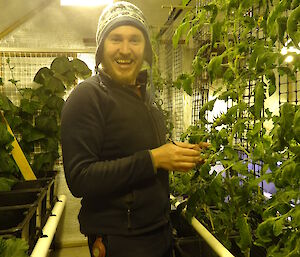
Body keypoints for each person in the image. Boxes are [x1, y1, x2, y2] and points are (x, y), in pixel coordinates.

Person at [60, 2, 206, 257]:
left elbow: (138, 150)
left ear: (145, 48)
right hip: (121, 241)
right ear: (101, 47)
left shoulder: (142, 95)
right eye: (116, 39)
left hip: (157, 230)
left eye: (135, 40)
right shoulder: (87, 97)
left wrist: (176, 152)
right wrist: (154, 158)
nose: (125, 50)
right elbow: (80, 178)